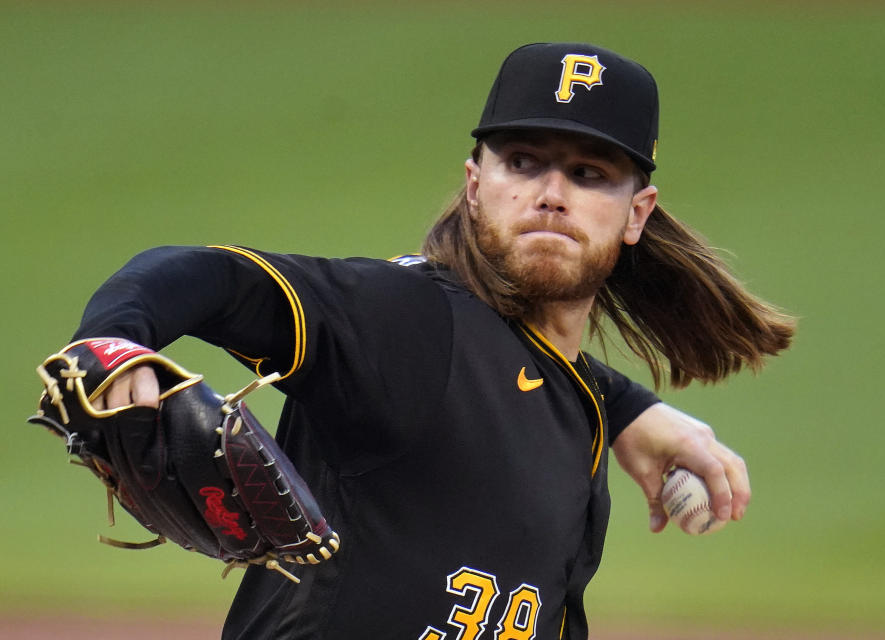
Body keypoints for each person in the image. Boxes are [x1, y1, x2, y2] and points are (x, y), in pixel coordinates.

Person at [75, 42, 793, 639]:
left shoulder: (577, 408)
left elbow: (518, 371)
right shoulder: (403, 322)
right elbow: (209, 277)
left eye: (587, 174)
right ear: (475, 185)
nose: (550, 192)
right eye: (523, 162)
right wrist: (112, 342)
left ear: (636, 214)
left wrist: (628, 410)